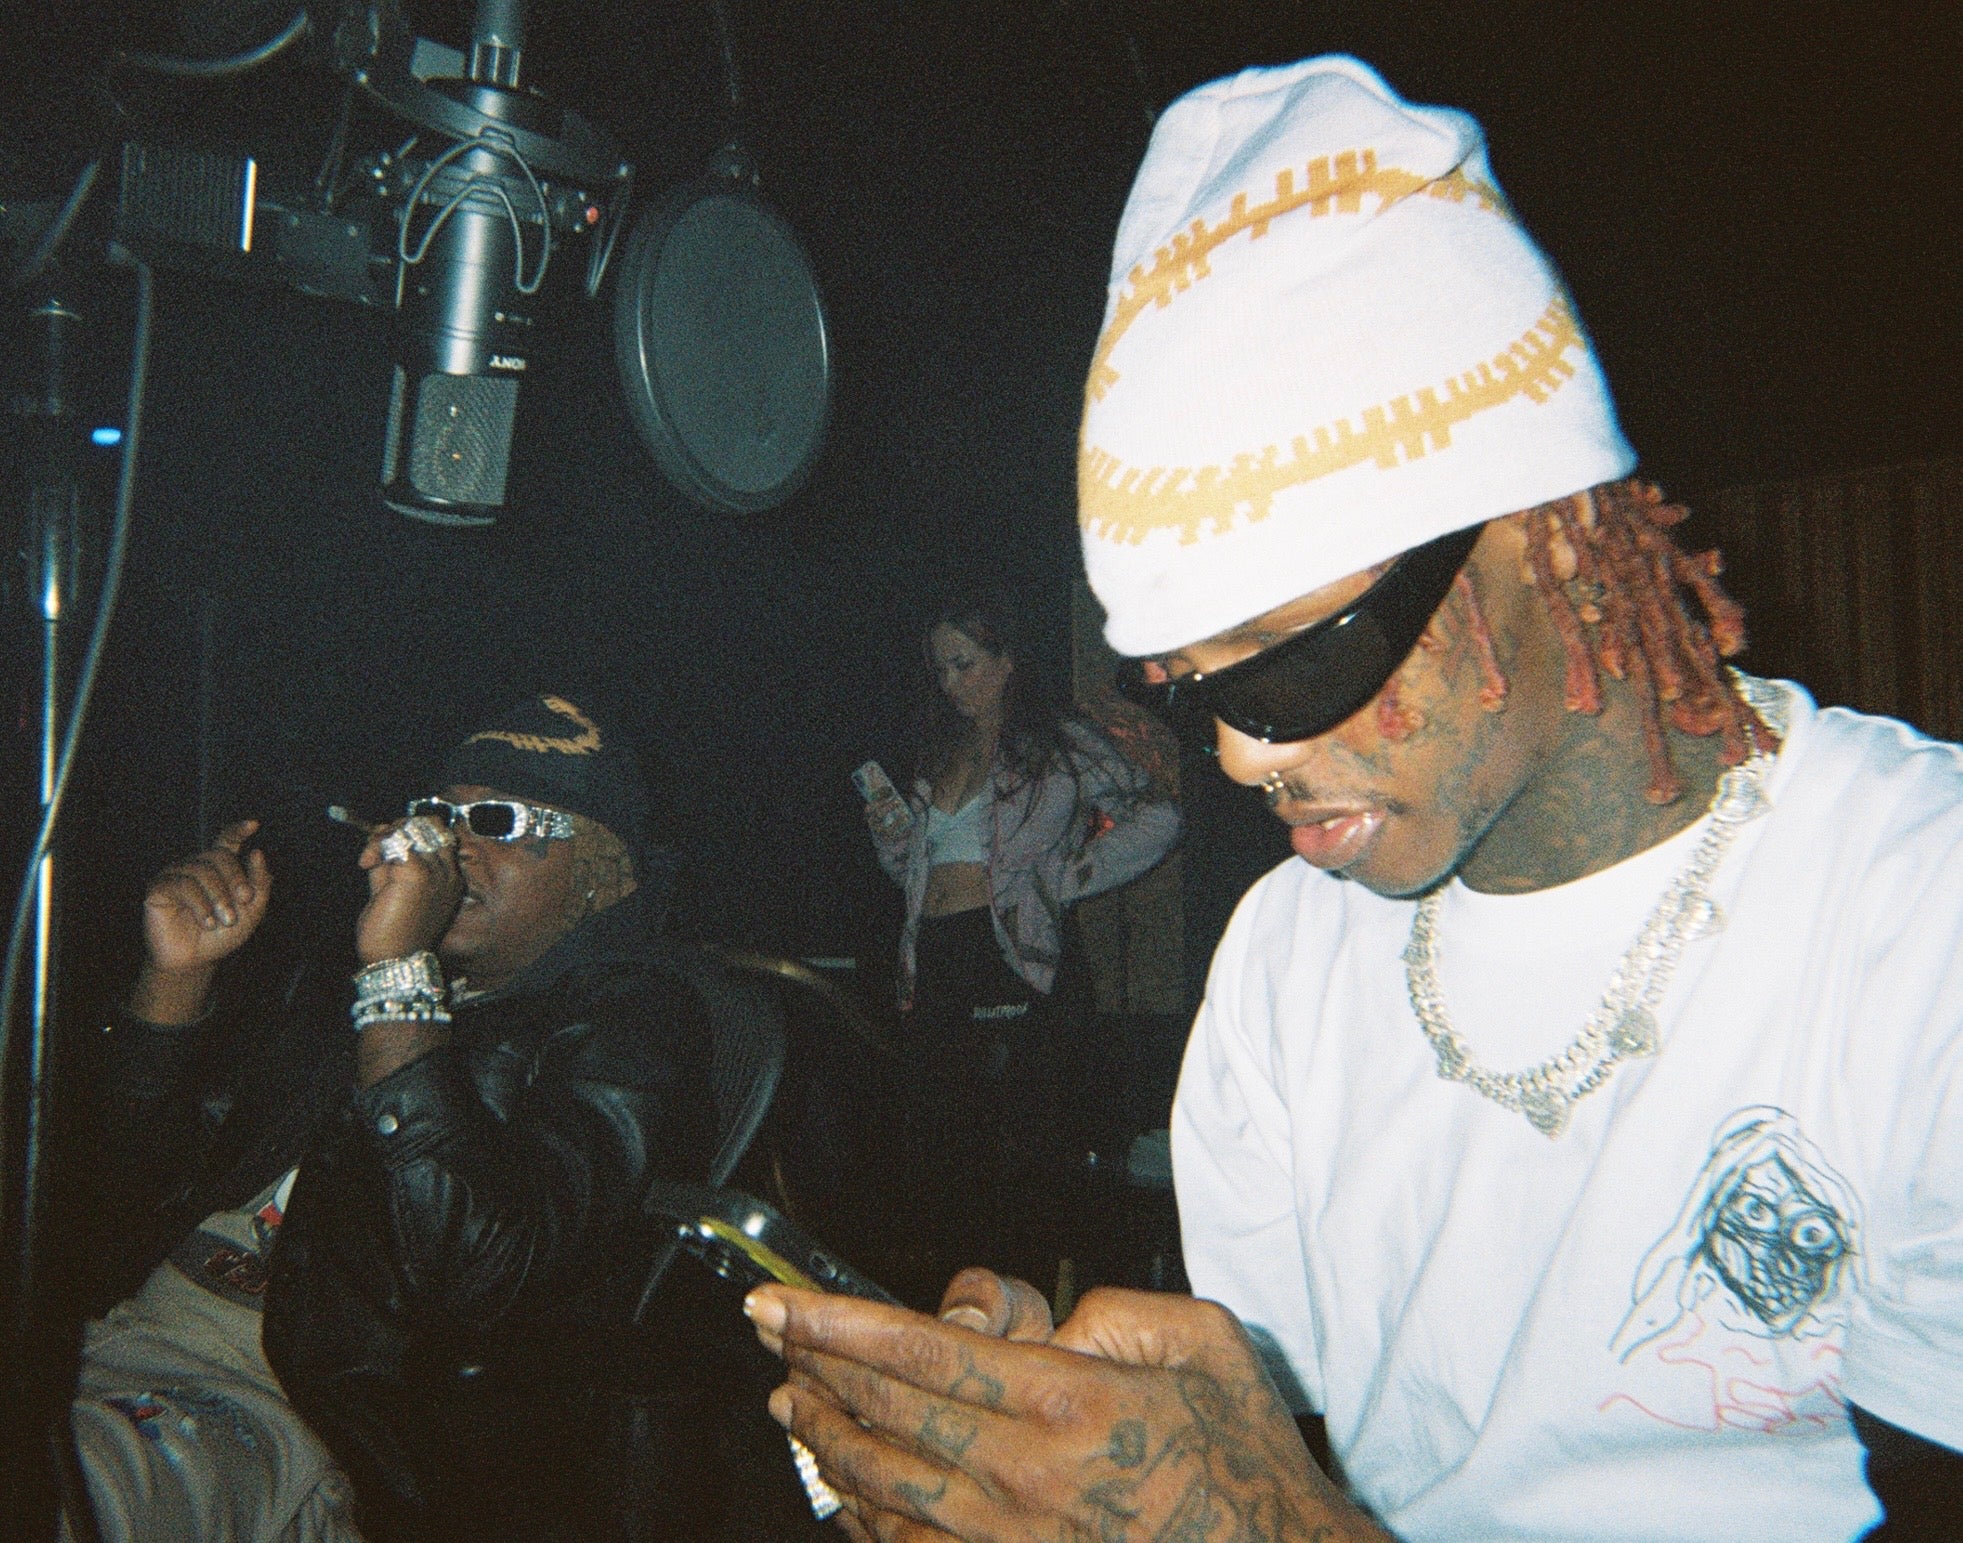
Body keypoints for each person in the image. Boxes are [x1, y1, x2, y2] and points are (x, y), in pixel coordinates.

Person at [746, 56, 1963, 1541]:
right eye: (1191, 690)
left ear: (1545, 535)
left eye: (1293, 660)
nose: (1241, 758)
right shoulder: (1285, 960)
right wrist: (1070, 1438)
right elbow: (1286, 1445)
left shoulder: (1919, 913)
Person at [68, 693, 721, 1543]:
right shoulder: (336, 981)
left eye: (499, 821)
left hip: (287, 1415)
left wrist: (398, 977)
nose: (451, 845)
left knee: (65, 1484)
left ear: (601, 871)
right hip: (103, 1336)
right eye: (439, 816)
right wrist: (175, 981)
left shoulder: (634, 1018)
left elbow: (484, 1269)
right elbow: (104, 1195)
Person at [862, 593, 1180, 1295]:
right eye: (941, 669)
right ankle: (957, 1312)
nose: (951, 683)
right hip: (935, 957)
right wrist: (893, 840)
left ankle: (1025, 1313)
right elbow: (914, 867)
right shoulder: (941, 751)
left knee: (1019, 1151)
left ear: (1006, 661)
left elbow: (1157, 815)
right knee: (941, 1147)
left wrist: (1071, 876)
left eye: (964, 663)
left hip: (1011, 955)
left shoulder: (1058, 745)